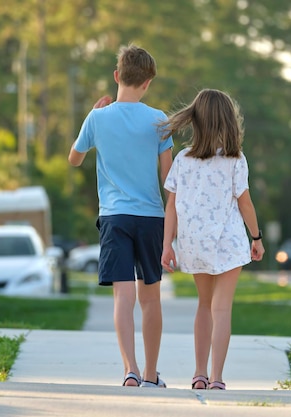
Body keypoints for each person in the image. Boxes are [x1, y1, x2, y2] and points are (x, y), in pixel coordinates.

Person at [68, 44, 173, 388]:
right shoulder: (159, 119)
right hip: (150, 218)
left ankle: (129, 369)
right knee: (150, 298)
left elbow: (74, 159)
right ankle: (151, 373)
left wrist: (92, 117)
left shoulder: (97, 117)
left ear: (117, 76)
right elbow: (168, 179)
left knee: (123, 297)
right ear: (147, 83)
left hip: (114, 217)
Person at [159, 89, 265, 390]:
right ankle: (217, 378)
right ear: (229, 121)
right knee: (222, 309)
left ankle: (199, 374)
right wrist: (256, 237)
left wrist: (168, 244)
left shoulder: (182, 159)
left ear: (197, 120)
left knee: (204, 305)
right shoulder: (235, 159)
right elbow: (245, 203)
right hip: (228, 242)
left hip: (194, 244)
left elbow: (171, 205)